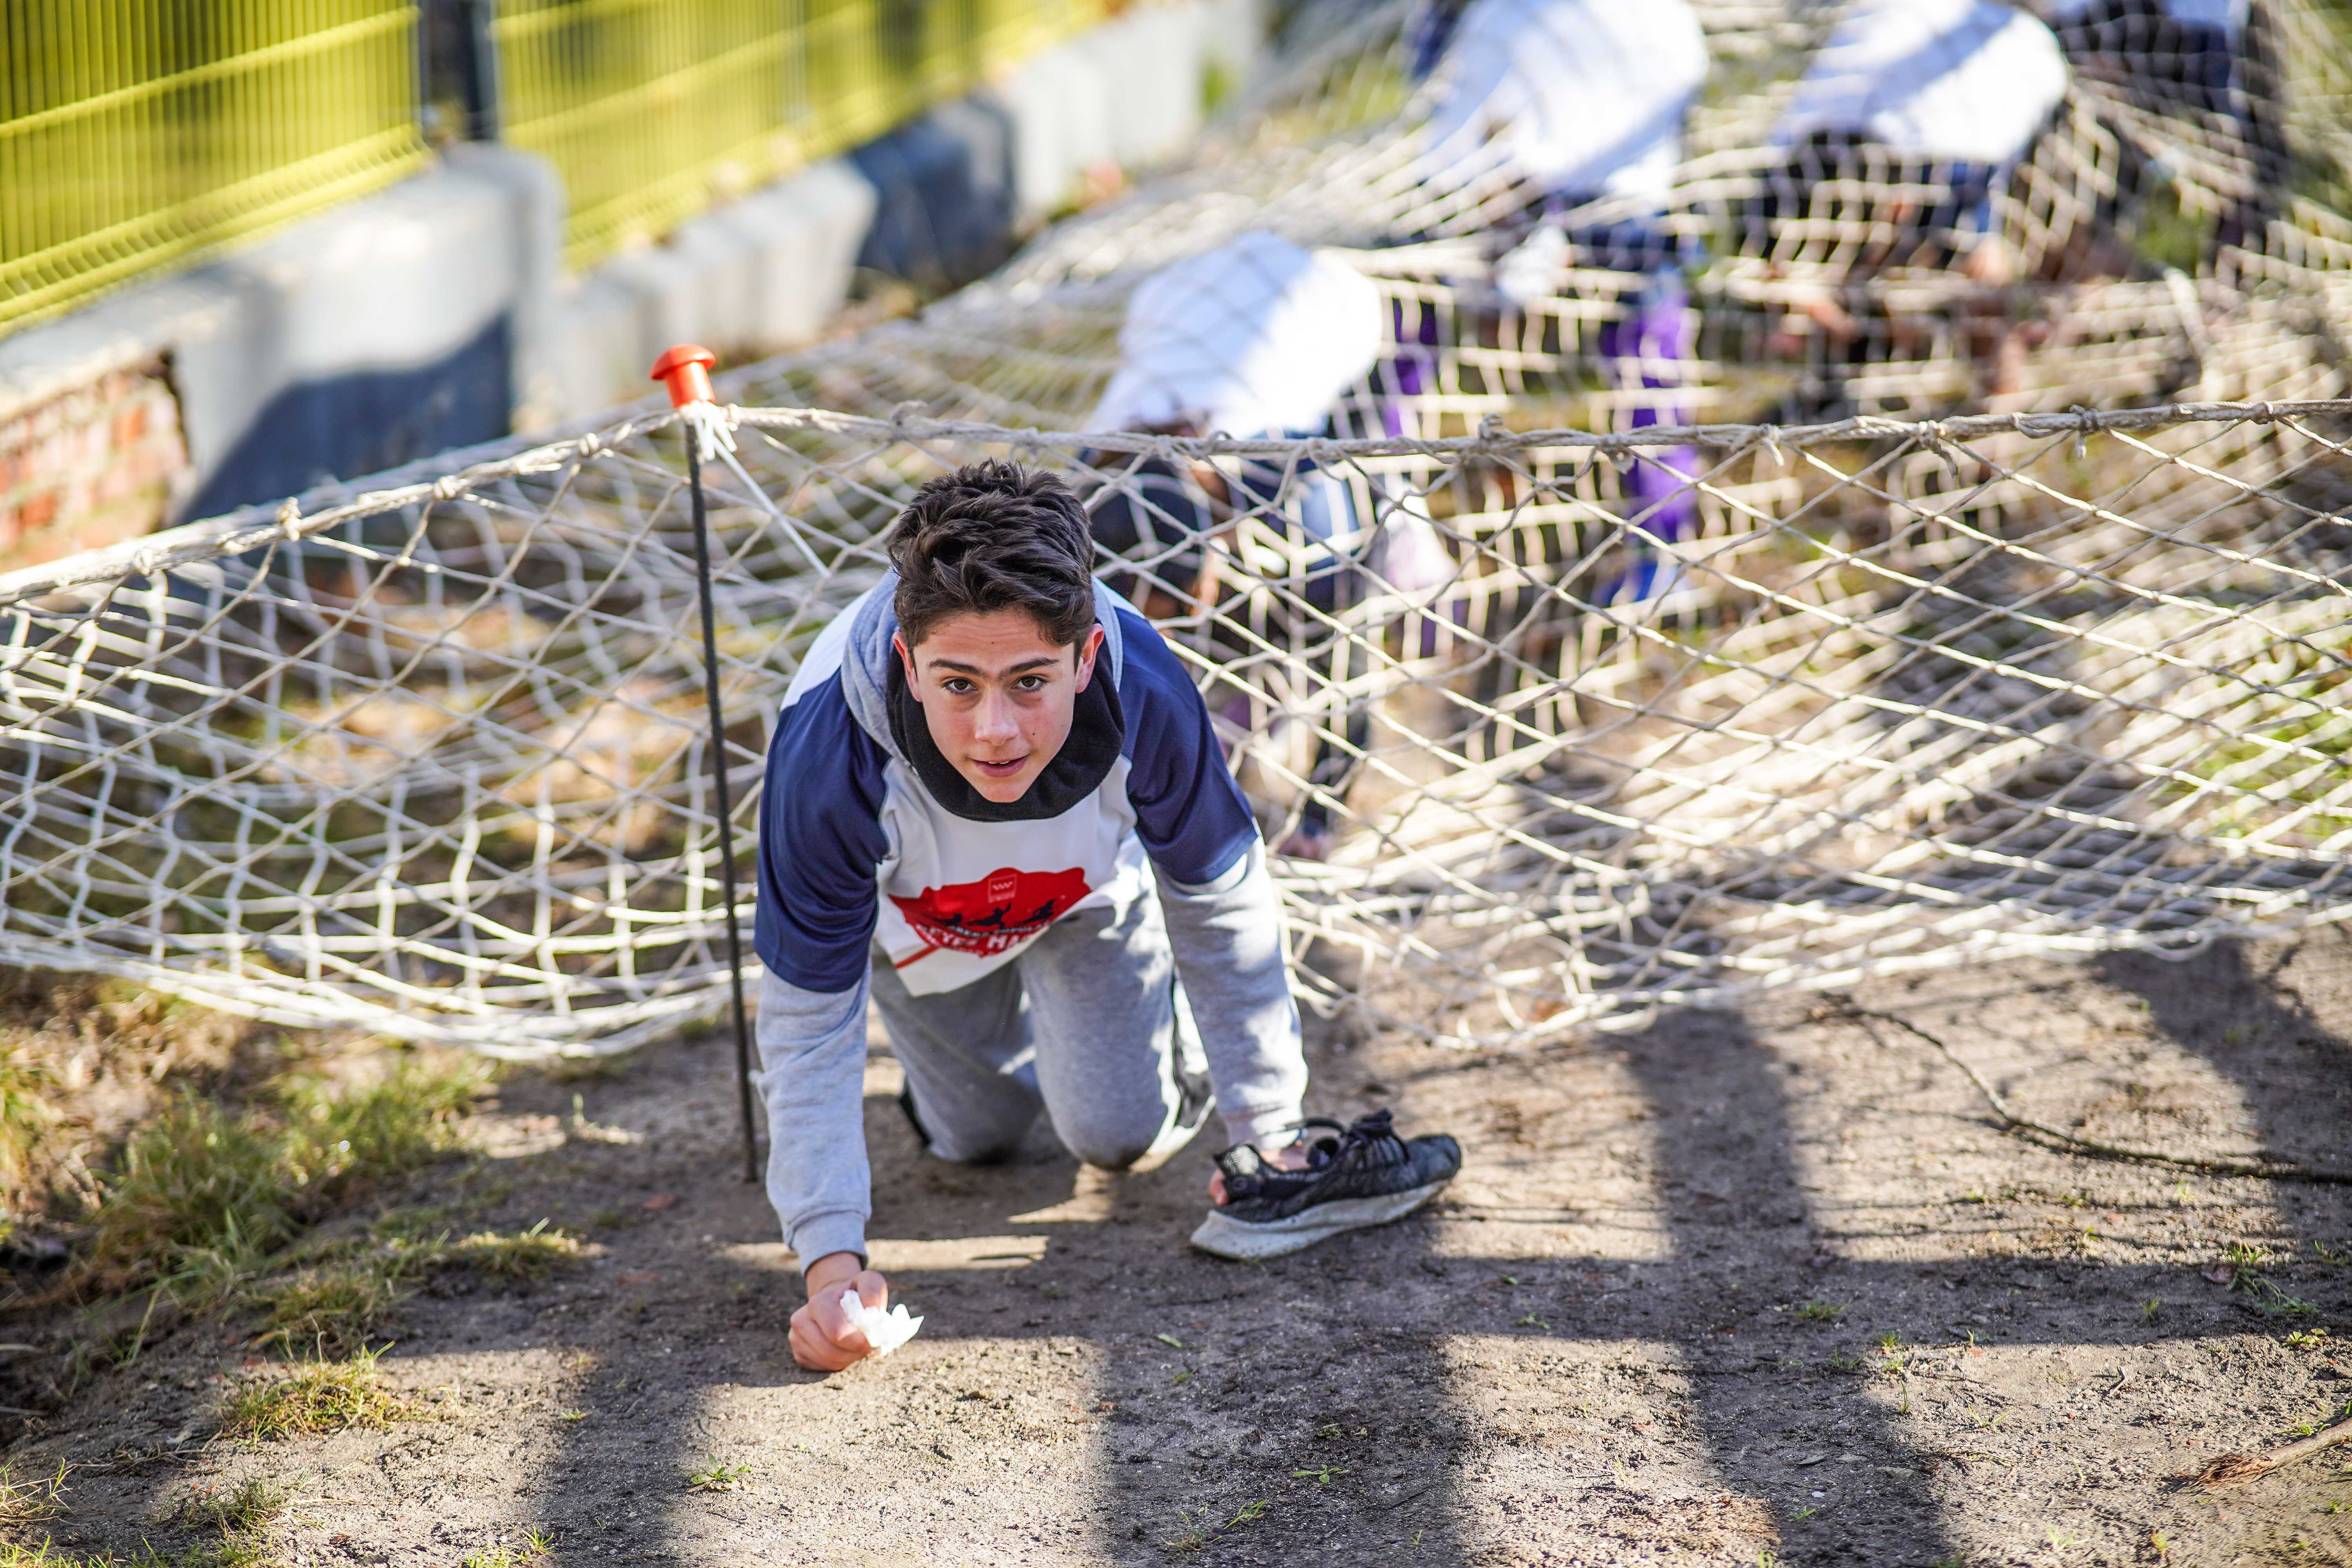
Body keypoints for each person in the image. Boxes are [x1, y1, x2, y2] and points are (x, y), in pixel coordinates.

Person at [753, 460, 1462, 1372]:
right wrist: (831, 1268)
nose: (996, 730)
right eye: (959, 684)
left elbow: (1222, 903)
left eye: (1031, 682)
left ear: (1085, 657)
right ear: (907, 662)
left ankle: (1168, 1049)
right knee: (976, 1144)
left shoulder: (1146, 689)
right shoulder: (828, 752)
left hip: (1082, 899)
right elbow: (809, 1018)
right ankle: (979, 1081)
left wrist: (1269, 1133)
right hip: (925, 929)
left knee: (1119, 1133)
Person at [1081, 230, 1446, 859]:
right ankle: (1230, 714)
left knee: (1330, 615)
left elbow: (1347, 683)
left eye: (1172, 615)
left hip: (1319, 308)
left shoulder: (1306, 510)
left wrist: (1317, 819)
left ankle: (1256, 704)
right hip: (1175, 304)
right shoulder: (1082, 496)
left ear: (1209, 569)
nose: (1160, 632)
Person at [1757, 0, 2073, 396]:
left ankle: (1989, 408)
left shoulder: (2019, 41)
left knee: (1981, 284)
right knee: (1980, 282)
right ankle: (1863, 359)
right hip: (1887, 154)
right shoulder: (2026, 40)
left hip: (1916, 157)